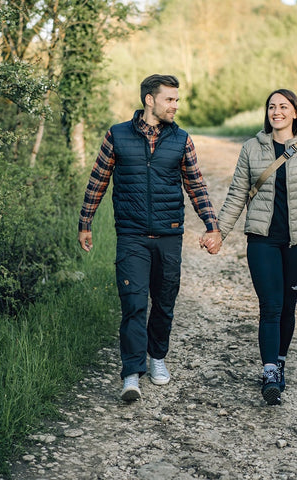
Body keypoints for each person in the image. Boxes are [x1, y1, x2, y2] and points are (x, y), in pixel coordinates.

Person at [78, 74, 221, 401]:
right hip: (131, 236)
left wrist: (211, 225)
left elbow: (196, 185)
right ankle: (131, 373)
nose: (175, 105)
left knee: (164, 302)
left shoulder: (182, 139)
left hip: (169, 235)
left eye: (176, 100)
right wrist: (85, 222)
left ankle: (157, 357)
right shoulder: (117, 135)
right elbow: (98, 181)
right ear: (149, 100)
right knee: (133, 304)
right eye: (169, 99)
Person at [207, 88, 297, 405]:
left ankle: (279, 361)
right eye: (271, 106)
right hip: (262, 240)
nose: (276, 111)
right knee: (271, 306)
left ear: (295, 112)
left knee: (288, 305)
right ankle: (269, 374)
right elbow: (238, 194)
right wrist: (219, 233)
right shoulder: (252, 149)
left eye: (283, 106)